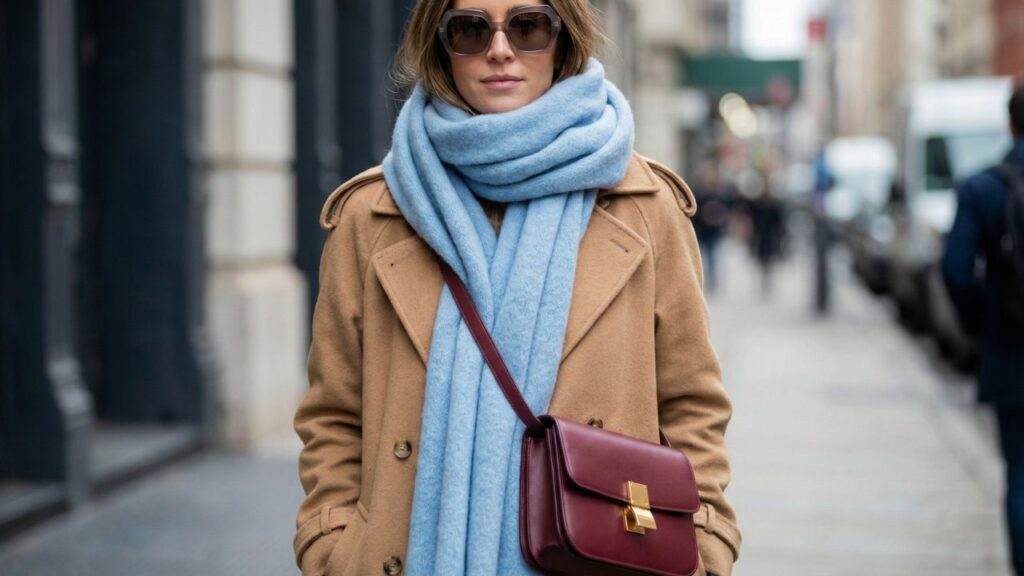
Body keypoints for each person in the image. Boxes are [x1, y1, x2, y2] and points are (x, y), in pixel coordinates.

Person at [292, 1, 740, 575]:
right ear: (440, 46)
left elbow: (693, 405)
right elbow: (333, 412)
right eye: (470, 29)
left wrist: (704, 549)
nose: (499, 50)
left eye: (528, 27)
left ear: (563, 41)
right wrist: (330, 543)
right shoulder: (373, 214)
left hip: (601, 555)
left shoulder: (645, 207)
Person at [942, 82, 1024, 574]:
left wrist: (982, 323)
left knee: (1020, 474)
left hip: (1011, 352)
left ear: (1009, 123)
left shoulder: (983, 186)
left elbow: (954, 270)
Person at [692, 163, 733, 295]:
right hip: (701, 230)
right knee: (700, 256)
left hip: (714, 231)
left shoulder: (720, 194)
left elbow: (726, 211)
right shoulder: (698, 193)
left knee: (712, 256)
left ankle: (711, 280)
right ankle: (702, 279)